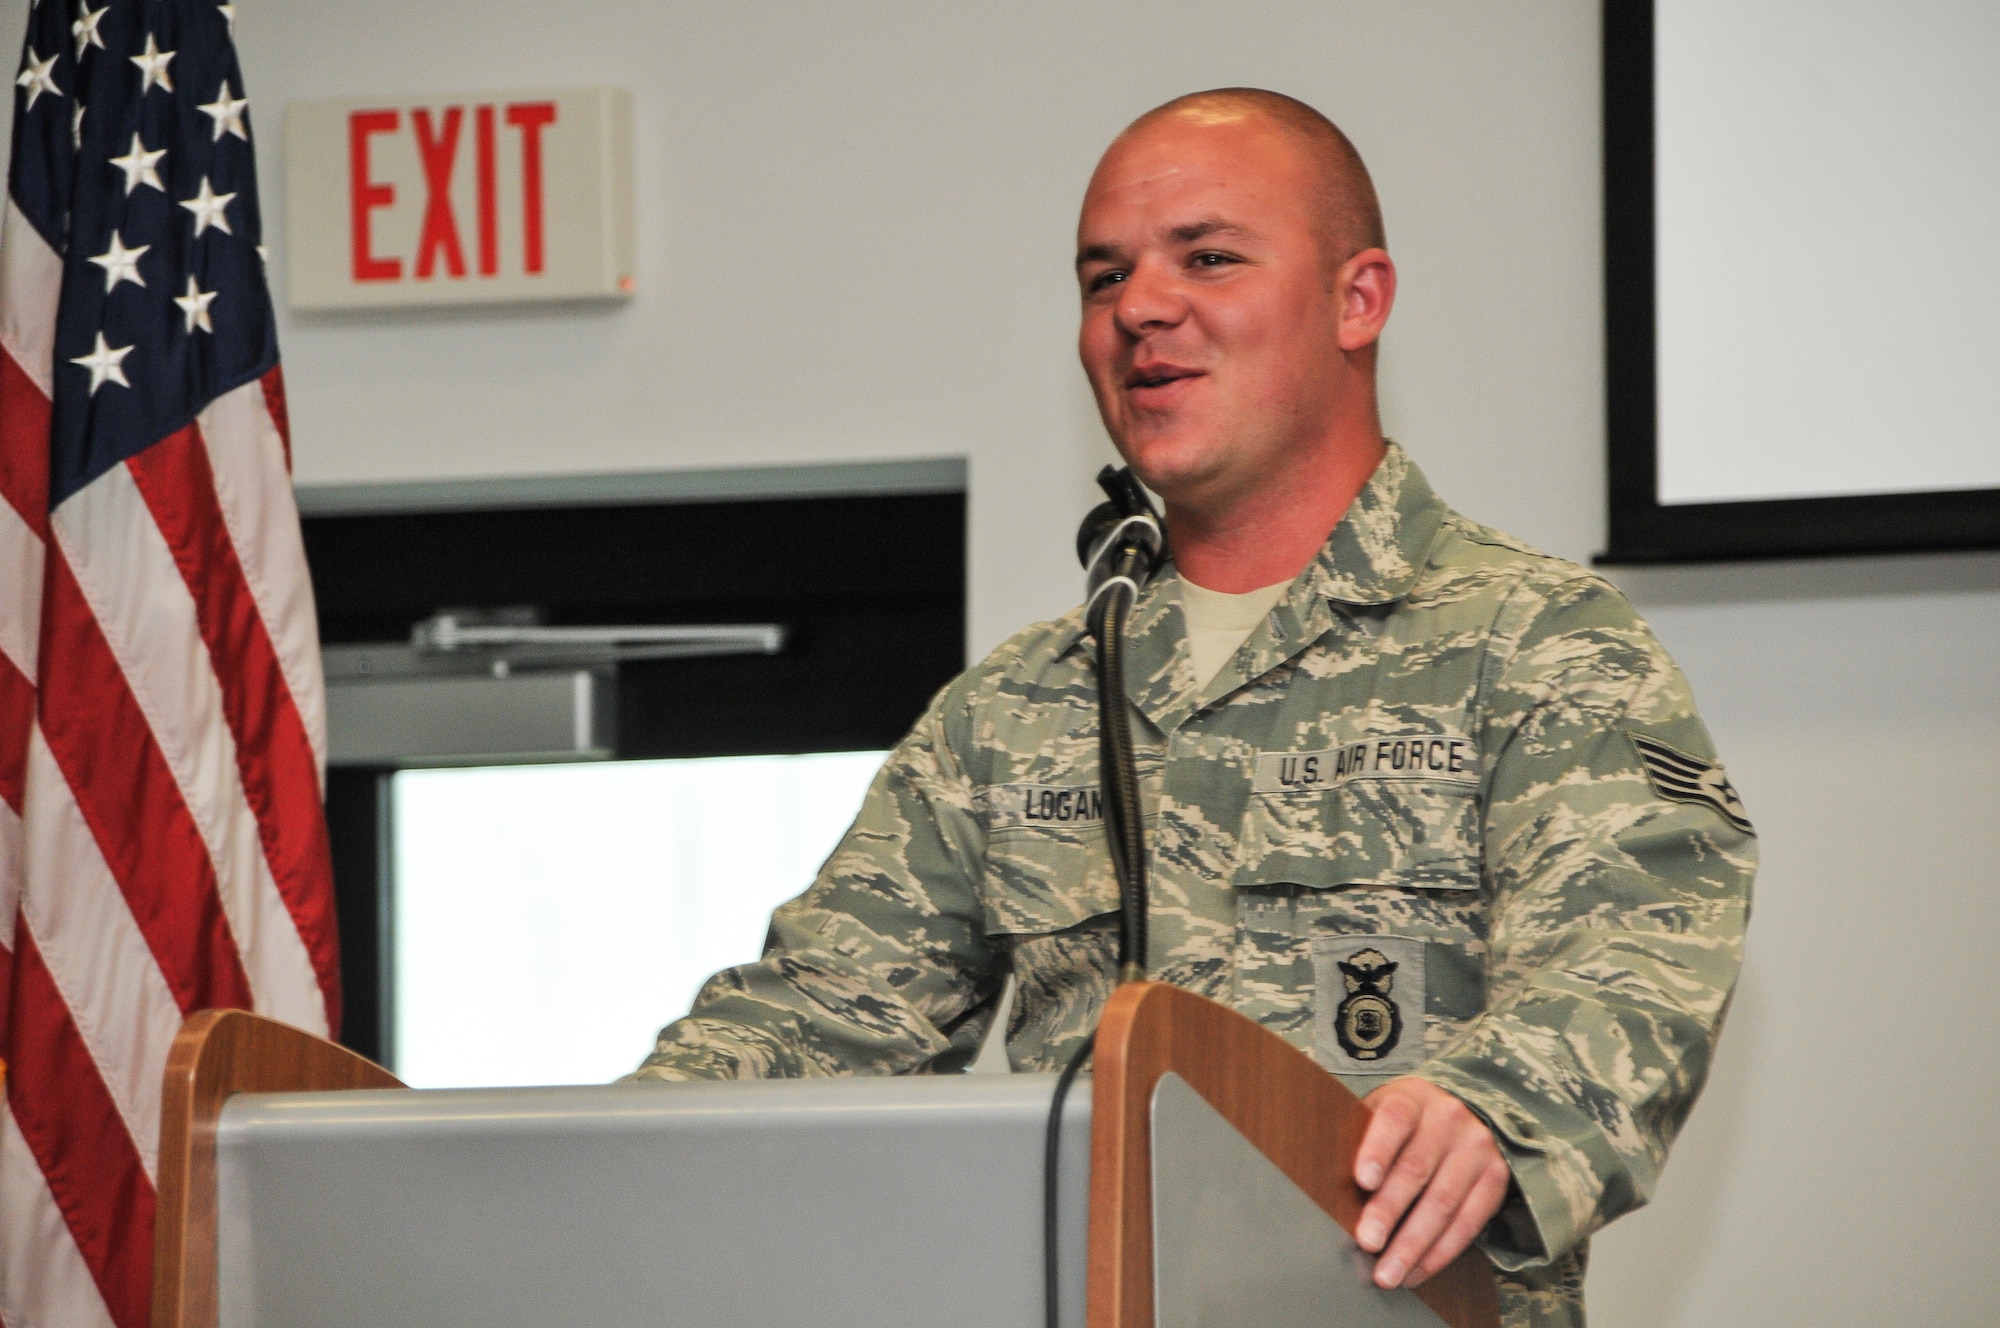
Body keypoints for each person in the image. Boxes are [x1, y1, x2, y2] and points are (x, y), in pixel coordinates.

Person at [627, 88, 1755, 1328]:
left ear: (1355, 299)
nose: (1139, 310)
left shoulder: (1530, 644)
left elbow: (1632, 954)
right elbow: (816, 1019)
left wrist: (1488, 1105)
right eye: (1101, 276)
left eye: (1207, 257)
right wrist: (575, 1164)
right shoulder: (1013, 709)